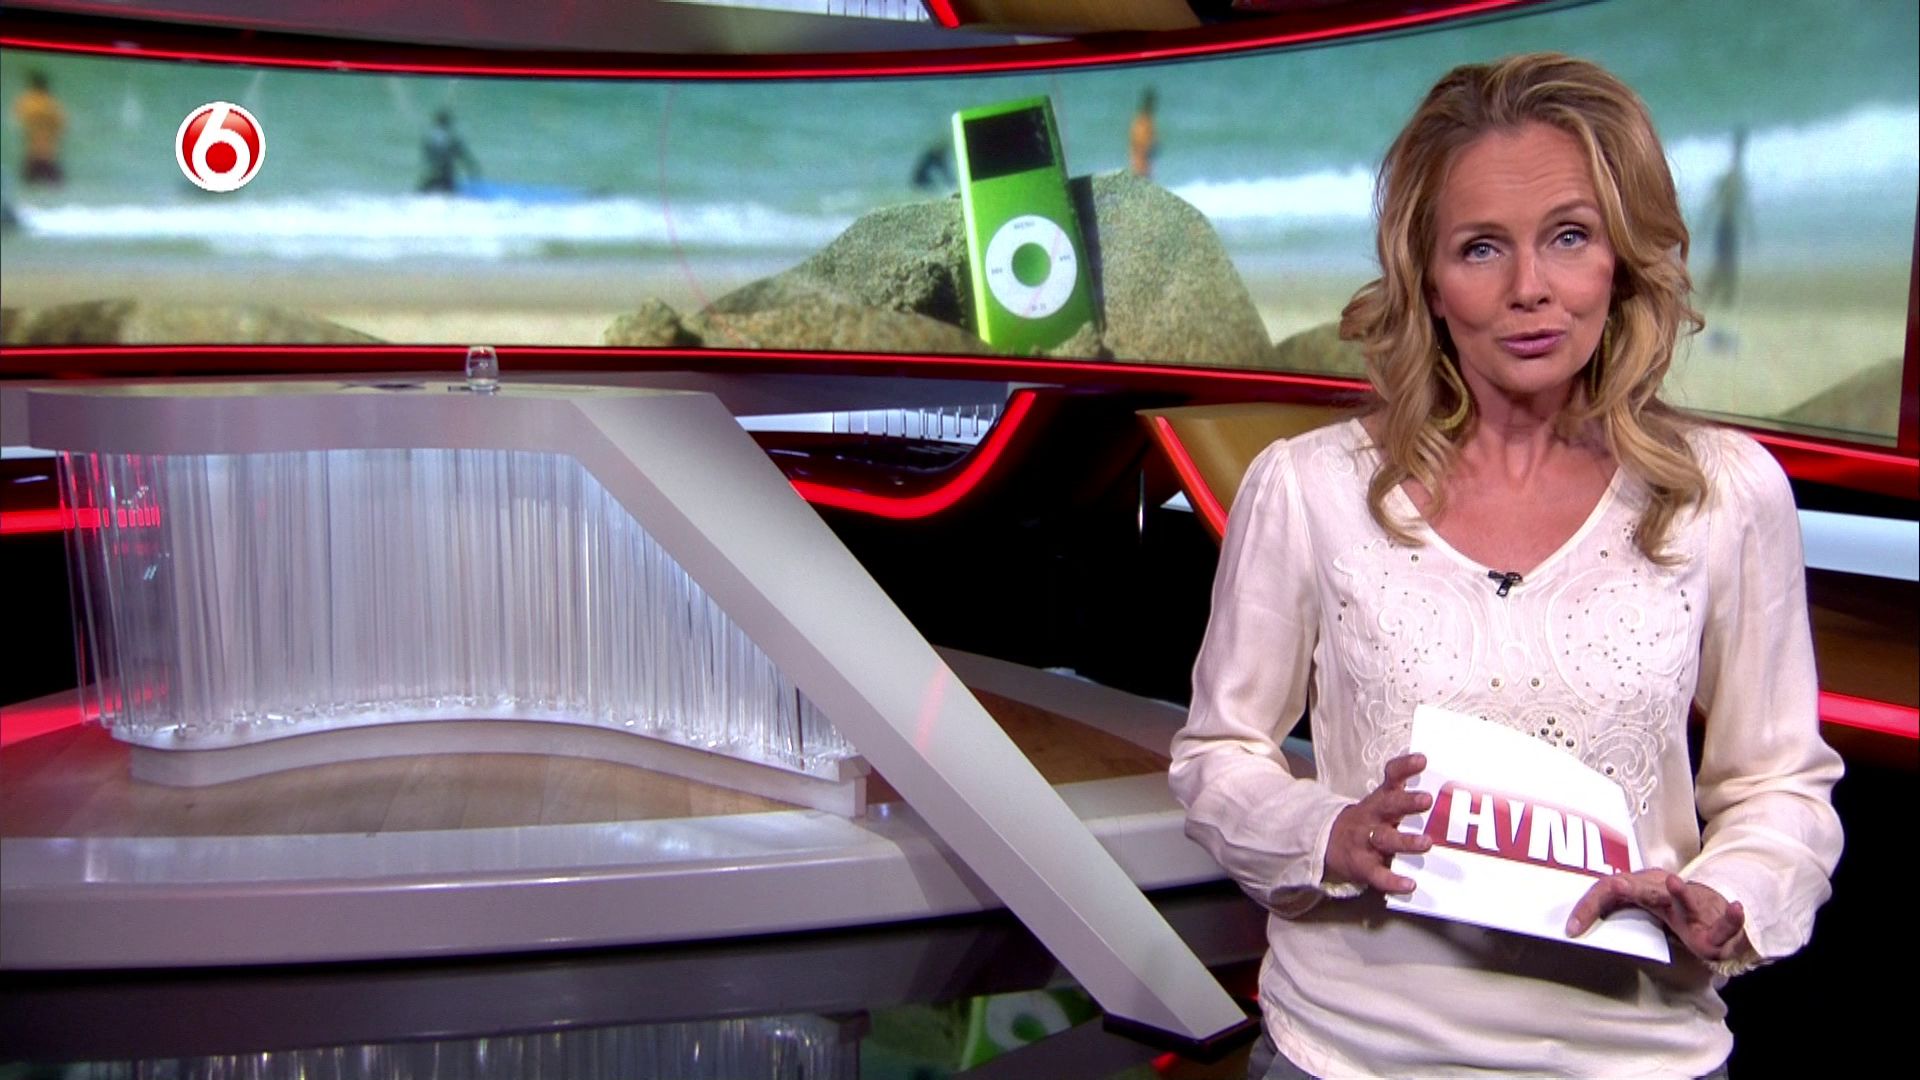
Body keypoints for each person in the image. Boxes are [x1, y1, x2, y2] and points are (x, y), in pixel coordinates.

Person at [1170, 53, 1841, 1079]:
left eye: (1569, 236)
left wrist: (1728, 895)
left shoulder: (1726, 492)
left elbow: (1778, 783)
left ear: (1619, 261)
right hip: (1349, 1055)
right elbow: (1220, 753)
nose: (1531, 289)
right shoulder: (1308, 488)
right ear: (1429, 282)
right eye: (1481, 248)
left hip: (1637, 1055)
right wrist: (1328, 831)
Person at [1699, 127, 1752, 311]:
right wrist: (1703, 225)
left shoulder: (1736, 178)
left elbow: (1744, 206)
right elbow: (1714, 204)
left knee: (1728, 262)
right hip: (1726, 225)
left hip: (1729, 225)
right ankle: (1714, 297)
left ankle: (1722, 299)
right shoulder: (1732, 178)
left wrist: (1751, 229)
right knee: (1724, 262)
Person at [12, 69, 67, 186]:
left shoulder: (26, 103)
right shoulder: (53, 105)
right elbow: (63, 126)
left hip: (32, 156)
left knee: (27, 190)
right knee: (56, 189)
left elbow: (17, 121)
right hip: (50, 157)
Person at [418, 108, 480, 194]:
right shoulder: (452, 138)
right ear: (448, 123)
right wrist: (473, 171)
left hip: (432, 175)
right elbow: (464, 156)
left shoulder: (429, 138)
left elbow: (427, 156)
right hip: (447, 177)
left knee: (424, 190)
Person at [1129, 87, 1158, 179]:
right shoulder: (1144, 121)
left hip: (1142, 162)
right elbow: (1140, 143)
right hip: (1141, 162)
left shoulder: (1143, 120)